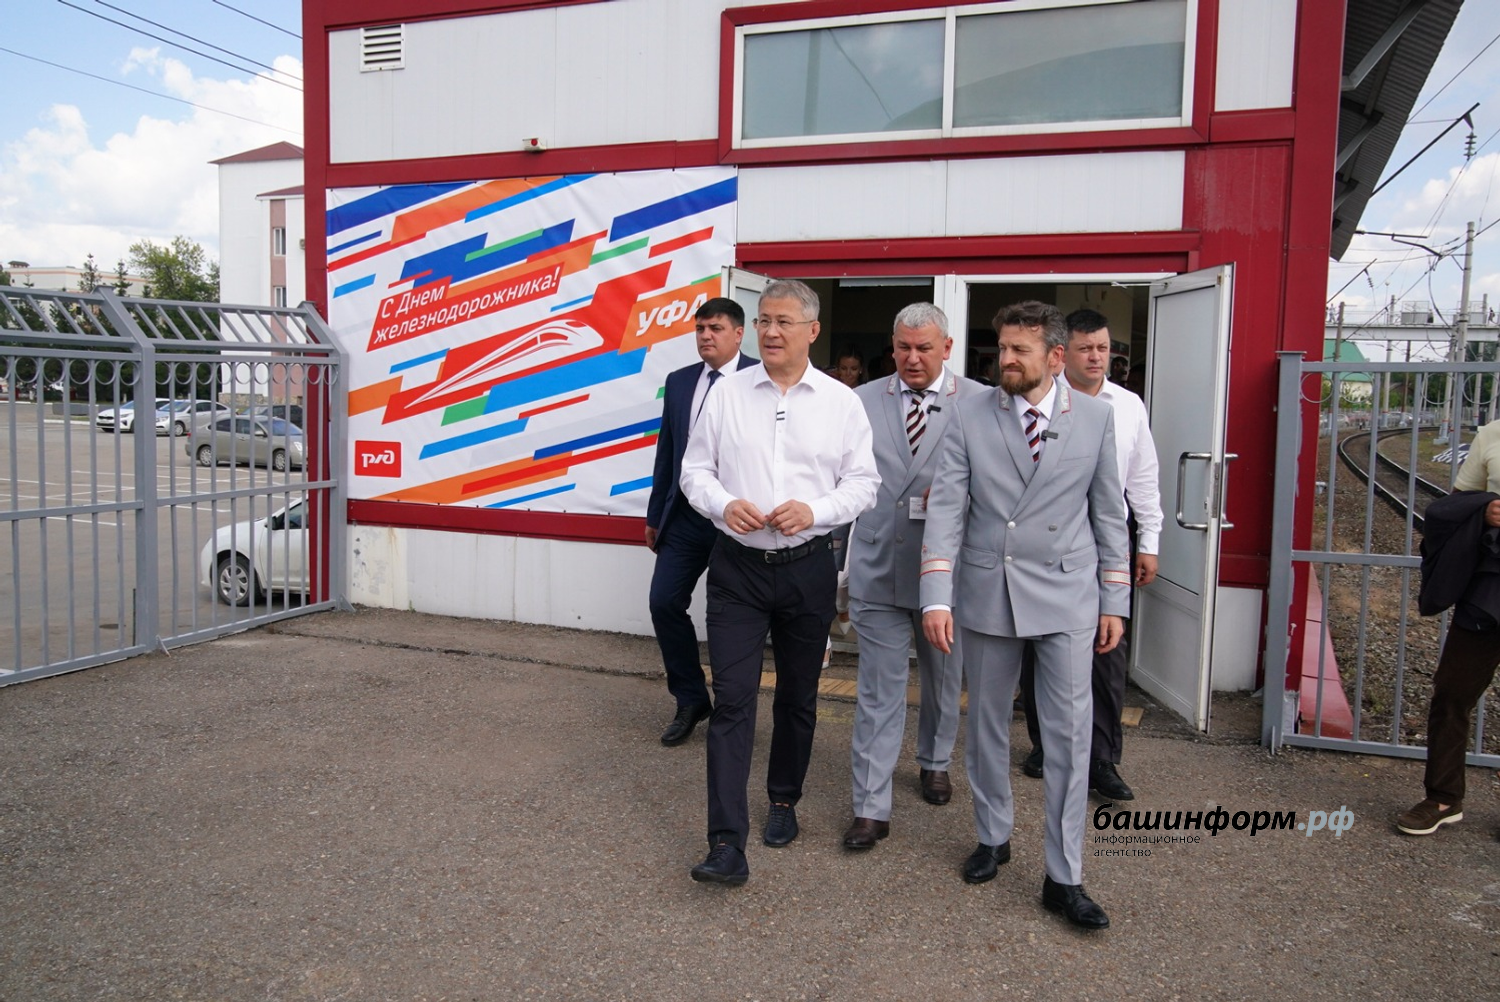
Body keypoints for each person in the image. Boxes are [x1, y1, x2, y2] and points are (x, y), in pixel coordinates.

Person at [920, 300, 1130, 930]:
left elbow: (1108, 513)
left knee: (1068, 734)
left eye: (1019, 350)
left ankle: (1065, 876)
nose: (1004, 359)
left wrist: (1114, 600)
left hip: (1068, 592)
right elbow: (947, 508)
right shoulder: (969, 412)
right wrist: (937, 594)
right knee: (987, 725)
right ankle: (993, 836)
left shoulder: (1096, 417)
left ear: (1055, 357)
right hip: (990, 588)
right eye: (1002, 348)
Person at [680, 279, 880, 885]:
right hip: (737, 569)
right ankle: (725, 843)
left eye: (783, 322)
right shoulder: (727, 393)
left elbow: (864, 484)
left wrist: (815, 511)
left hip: (807, 567)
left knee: (797, 696)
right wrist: (723, 503)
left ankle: (784, 799)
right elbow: (694, 471)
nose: (770, 332)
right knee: (733, 700)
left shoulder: (841, 402)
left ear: (812, 331)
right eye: (764, 320)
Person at [842, 303, 984, 850]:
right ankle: (870, 806)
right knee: (879, 691)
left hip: (945, 573)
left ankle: (934, 759)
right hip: (878, 564)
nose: (912, 358)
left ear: (947, 347)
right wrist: (838, 571)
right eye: (903, 347)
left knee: (944, 679)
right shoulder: (861, 400)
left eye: (924, 348)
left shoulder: (980, 403)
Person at [1018, 309, 1162, 801]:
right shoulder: (1038, 401)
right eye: (1086, 348)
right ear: (1061, 354)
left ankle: (1101, 758)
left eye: (1103, 348)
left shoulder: (1127, 406)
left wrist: (1148, 542)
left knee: (1106, 649)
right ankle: (1044, 743)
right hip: (1046, 544)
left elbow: (1142, 478)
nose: (1097, 357)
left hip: (1107, 540)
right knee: (1039, 647)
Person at [645, 298, 757, 746]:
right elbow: (667, 451)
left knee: (729, 618)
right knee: (663, 602)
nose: (706, 336)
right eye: (700, 329)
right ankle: (691, 698)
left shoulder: (759, 378)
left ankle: (732, 709)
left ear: (738, 334)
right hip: (685, 519)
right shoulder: (679, 382)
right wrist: (656, 514)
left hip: (738, 520)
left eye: (715, 328)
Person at [1396, 417, 1500, 835]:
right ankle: (1443, 797)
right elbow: (1457, 502)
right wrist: (1484, 510)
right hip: (1491, 588)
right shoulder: (1493, 433)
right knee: (1453, 691)